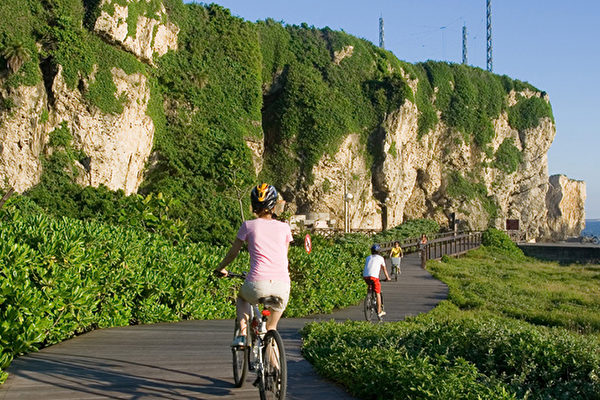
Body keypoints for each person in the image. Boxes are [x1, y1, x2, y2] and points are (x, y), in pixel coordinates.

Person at [215, 183, 293, 347]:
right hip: (282, 285)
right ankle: (277, 369)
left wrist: (220, 268)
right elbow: (283, 257)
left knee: (242, 298)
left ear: (254, 204)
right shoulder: (285, 227)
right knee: (271, 328)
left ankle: (242, 335)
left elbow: (233, 253)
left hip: (257, 283)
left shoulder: (248, 226)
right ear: (273, 205)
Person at [363, 244, 391, 317]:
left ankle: (369, 296)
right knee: (378, 293)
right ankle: (379, 311)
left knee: (370, 285)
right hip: (374, 277)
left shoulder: (368, 257)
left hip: (365, 276)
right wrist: (388, 278)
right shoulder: (380, 258)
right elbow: (384, 269)